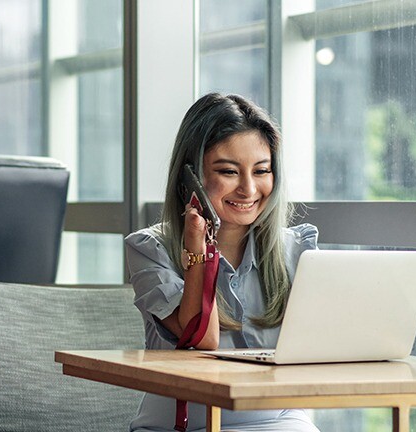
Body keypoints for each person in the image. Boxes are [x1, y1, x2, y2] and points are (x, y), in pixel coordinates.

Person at [124, 93, 320, 432]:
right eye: (229, 171)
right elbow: (202, 337)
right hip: (184, 425)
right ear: (190, 178)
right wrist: (198, 251)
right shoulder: (149, 248)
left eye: (262, 171)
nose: (248, 189)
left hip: (280, 417)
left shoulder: (296, 248)